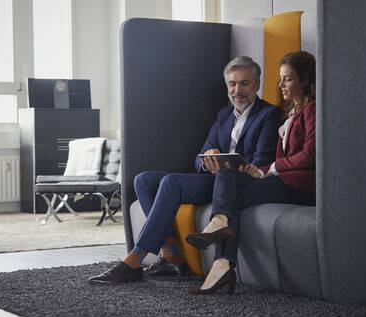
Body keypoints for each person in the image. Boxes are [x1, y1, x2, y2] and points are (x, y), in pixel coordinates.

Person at [88, 56, 283, 285]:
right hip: (212, 177)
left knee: (171, 182)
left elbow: (259, 164)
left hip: (234, 185)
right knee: (143, 180)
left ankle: (134, 260)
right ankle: (171, 254)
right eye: (232, 84)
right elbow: (198, 159)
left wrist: (225, 164)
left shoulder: (268, 114)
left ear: (257, 84)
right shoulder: (223, 115)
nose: (237, 90)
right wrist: (208, 159)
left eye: (244, 83)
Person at [185, 51, 317, 295]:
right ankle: (222, 260)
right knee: (228, 180)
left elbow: (310, 155)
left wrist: (271, 169)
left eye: (287, 79)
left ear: (305, 81)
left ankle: (220, 242)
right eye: (281, 78)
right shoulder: (291, 112)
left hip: (301, 187)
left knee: (229, 187)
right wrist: (262, 171)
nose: (280, 84)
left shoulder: (312, 110)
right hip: (282, 179)